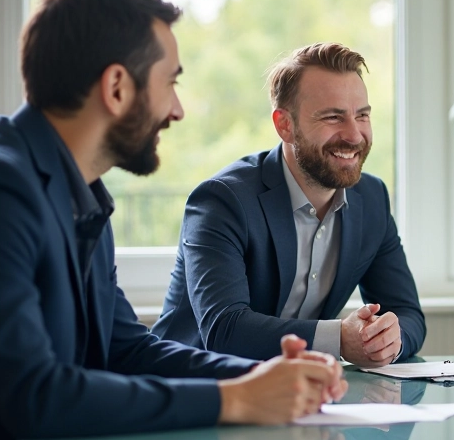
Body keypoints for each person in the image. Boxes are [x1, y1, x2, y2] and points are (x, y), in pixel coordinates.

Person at [0, 0, 346, 440]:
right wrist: (233, 400)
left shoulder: (77, 189)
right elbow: (37, 396)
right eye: (171, 82)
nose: (177, 109)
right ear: (117, 87)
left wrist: (269, 377)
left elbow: (123, 347)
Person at [152, 43, 426, 368]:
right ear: (285, 125)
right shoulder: (222, 200)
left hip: (298, 396)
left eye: (362, 115)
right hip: (192, 391)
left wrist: (388, 340)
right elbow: (224, 329)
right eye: (333, 117)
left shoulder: (372, 199)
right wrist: (339, 338)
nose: (354, 135)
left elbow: (407, 313)